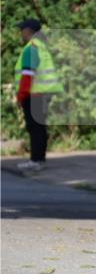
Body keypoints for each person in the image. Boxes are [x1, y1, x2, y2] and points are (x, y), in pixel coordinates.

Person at [13, 19, 62, 171]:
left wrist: (21, 96)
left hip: (34, 93)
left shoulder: (31, 48)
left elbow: (27, 76)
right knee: (39, 127)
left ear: (29, 31)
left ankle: (36, 160)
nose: (21, 33)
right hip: (43, 92)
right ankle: (39, 160)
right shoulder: (41, 47)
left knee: (35, 128)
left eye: (22, 30)